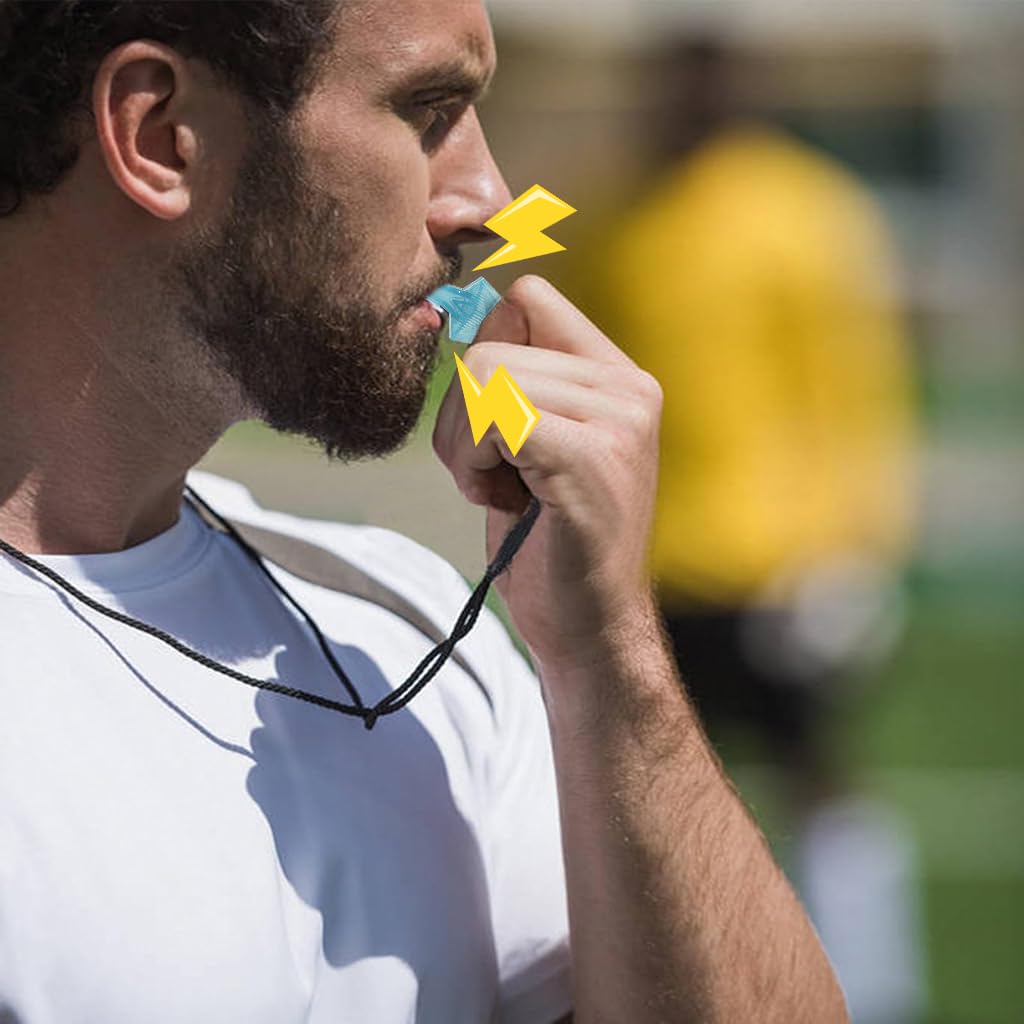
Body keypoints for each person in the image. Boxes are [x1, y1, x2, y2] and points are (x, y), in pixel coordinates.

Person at [0, 4, 847, 1022]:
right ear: (160, 134)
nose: (488, 201)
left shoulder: (406, 623)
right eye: (428, 109)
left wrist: (607, 656)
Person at [571, 38, 925, 1024]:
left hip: (779, 564)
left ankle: (874, 985)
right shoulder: (612, 213)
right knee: (654, 788)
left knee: (817, 775)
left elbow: (856, 386)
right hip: (647, 559)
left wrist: (858, 547)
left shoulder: (805, 210)